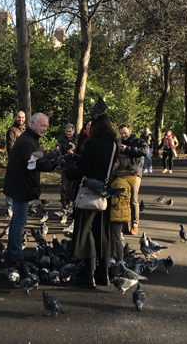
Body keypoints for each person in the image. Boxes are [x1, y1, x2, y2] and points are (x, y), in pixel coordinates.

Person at [66, 114, 118, 288]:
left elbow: (84, 169)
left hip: (89, 192)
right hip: (105, 192)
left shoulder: (91, 143)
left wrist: (70, 172)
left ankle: (89, 276)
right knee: (102, 233)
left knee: (87, 232)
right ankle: (104, 274)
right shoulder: (114, 145)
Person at [3, 113, 57, 264]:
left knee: (17, 219)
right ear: (33, 124)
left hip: (17, 185)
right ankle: (15, 256)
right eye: (42, 125)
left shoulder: (29, 138)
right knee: (20, 220)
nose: (44, 129)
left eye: (46, 126)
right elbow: (33, 165)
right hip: (20, 187)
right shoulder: (28, 141)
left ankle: (13, 252)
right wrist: (53, 163)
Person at [118, 124, 149, 234]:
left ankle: (135, 224)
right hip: (121, 173)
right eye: (121, 133)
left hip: (135, 172)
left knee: (133, 199)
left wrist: (128, 148)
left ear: (130, 132)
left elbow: (145, 152)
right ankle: (125, 224)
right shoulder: (118, 142)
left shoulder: (139, 141)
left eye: (125, 133)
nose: (123, 135)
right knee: (122, 198)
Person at [109, 155, 135, 262]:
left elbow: (119, 199)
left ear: (122, 165)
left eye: (117, 163)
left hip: (117, 213)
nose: (114, 165)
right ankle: (113, 256)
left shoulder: (120, 181)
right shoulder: (119, 178)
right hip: (118, 212)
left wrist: (107, 200)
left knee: (116, 237)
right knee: (114, 236)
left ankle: (119, 259)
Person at [4, 111, 26, 219]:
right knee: (11, 184)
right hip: (14, 161)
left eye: (22, 117)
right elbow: (10, 147)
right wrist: (16, 159)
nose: (20, 119)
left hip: (23, 161)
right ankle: (10, 208)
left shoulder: (24, 130)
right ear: (15, 117)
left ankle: (17, 208)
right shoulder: (12, 130)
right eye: (19, 117)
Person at [56, 124, 79, 211]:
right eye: (67, 131)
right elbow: (58, 149)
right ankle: (64, 205)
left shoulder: (77, 139)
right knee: (64, 186)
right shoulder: (61, 139)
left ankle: (74, 205)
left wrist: (74, 153)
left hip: (75, 164)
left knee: (75, 185)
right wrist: (59, 153)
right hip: (65, 164)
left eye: (70, 131)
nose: (68, 133)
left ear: (73, 131)